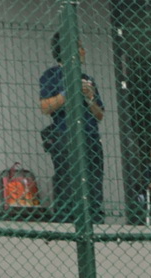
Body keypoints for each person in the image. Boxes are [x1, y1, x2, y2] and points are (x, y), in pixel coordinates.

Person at [39, 37, 106, 218]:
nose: (84, 52)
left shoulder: (87, 79)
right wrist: (68, 92)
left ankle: (93, 215)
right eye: (80, 48)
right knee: (68, 178)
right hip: (65, 134)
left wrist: (89, 97)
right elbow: (45, 106)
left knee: (94, 178)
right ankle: (67, 217)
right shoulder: (51, 75)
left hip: (90, 134)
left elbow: (100, 114)